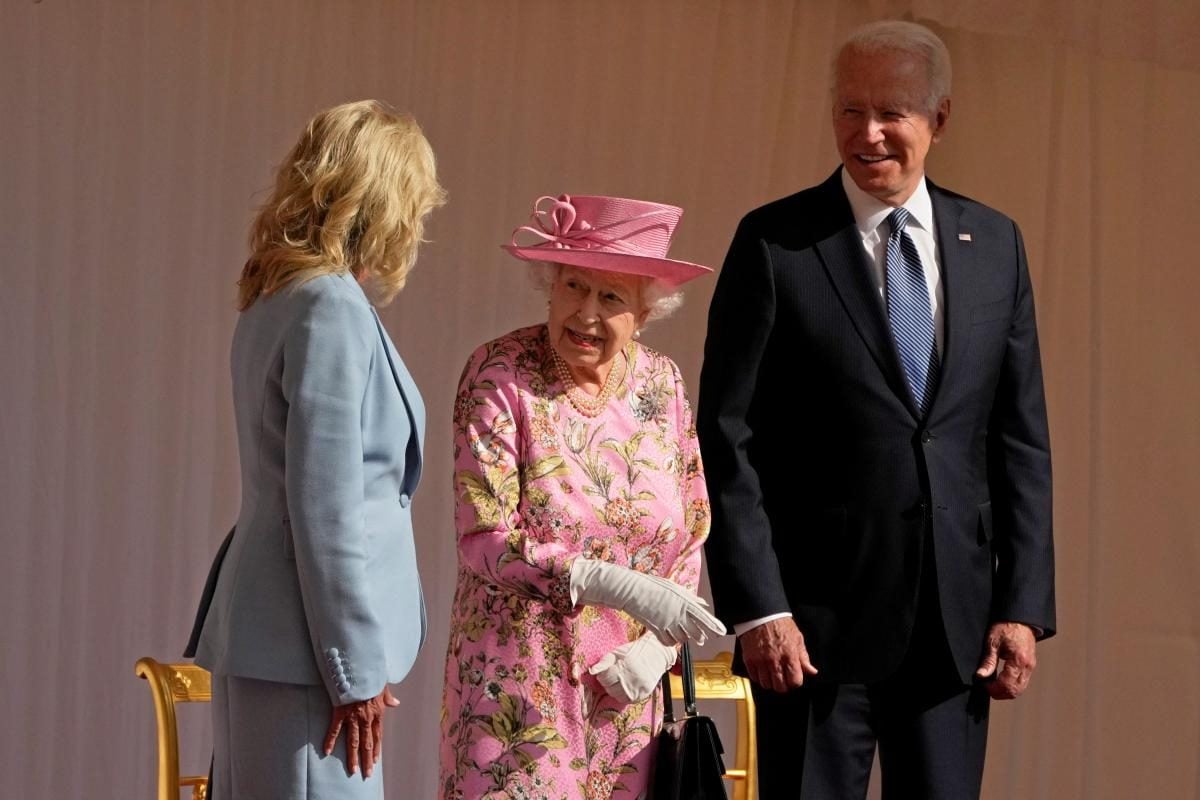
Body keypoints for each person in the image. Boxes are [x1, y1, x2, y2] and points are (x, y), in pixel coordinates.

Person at [697, 20, 1055, 799]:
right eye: (851, 110)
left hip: (953, 632)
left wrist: (1021, 605)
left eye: (893, 111)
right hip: (811, 637)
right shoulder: (775, 243)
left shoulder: (994, 245)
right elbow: (727, 437)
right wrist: (760, 608)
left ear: (940, 119)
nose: (869, 133)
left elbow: (1019, 439)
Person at [187, 99, 446, 799]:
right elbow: (325, 508)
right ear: (387, 201)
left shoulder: (277, 294)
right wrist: (354, 670)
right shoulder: (329, 306)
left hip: (276, 637)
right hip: (308, 652)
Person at [438, 194, 725, 800]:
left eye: (612, 297)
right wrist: (613, 584)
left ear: (646, 311)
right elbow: (482, 538)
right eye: (573, 286)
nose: (586, 313)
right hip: (520, 691)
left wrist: (657, 647)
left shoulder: (663, 383)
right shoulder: (501, 373)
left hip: (627, 691)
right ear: (550, 284)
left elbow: (691, 526)